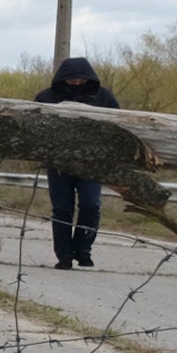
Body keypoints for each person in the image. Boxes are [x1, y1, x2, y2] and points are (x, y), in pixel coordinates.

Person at [33, 55, 120, 268]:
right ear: (63, 79)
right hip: (59, 162)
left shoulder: (103, 97)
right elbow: (33, 127)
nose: (77, 83)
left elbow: (118, 126)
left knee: (91, 205)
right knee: (62, 209)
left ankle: (83, 249)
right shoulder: (47, 97)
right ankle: (64, 255)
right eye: (72, 80)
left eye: (81, 80)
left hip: (92, 162)